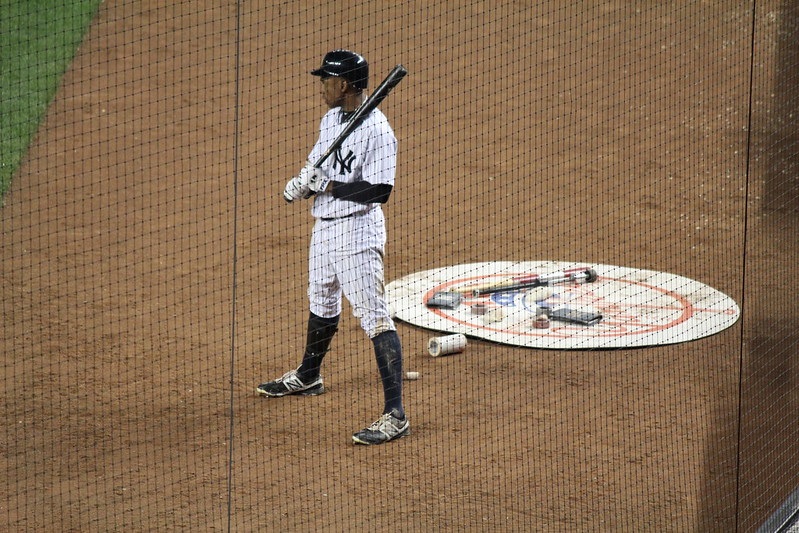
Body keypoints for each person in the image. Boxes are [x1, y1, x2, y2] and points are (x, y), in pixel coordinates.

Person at [257, 50, 409, 445]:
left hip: (358, 232)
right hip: (324, 228)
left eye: (326, 79)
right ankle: (309, 375)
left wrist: (327, 186)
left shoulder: (378, 131)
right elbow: (320, 164)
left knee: (375, 318)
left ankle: (395, 414)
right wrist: (305, 182)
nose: (321, 85)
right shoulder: (331, 120)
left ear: (343, 85)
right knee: (321, 301)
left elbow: (380, 190)